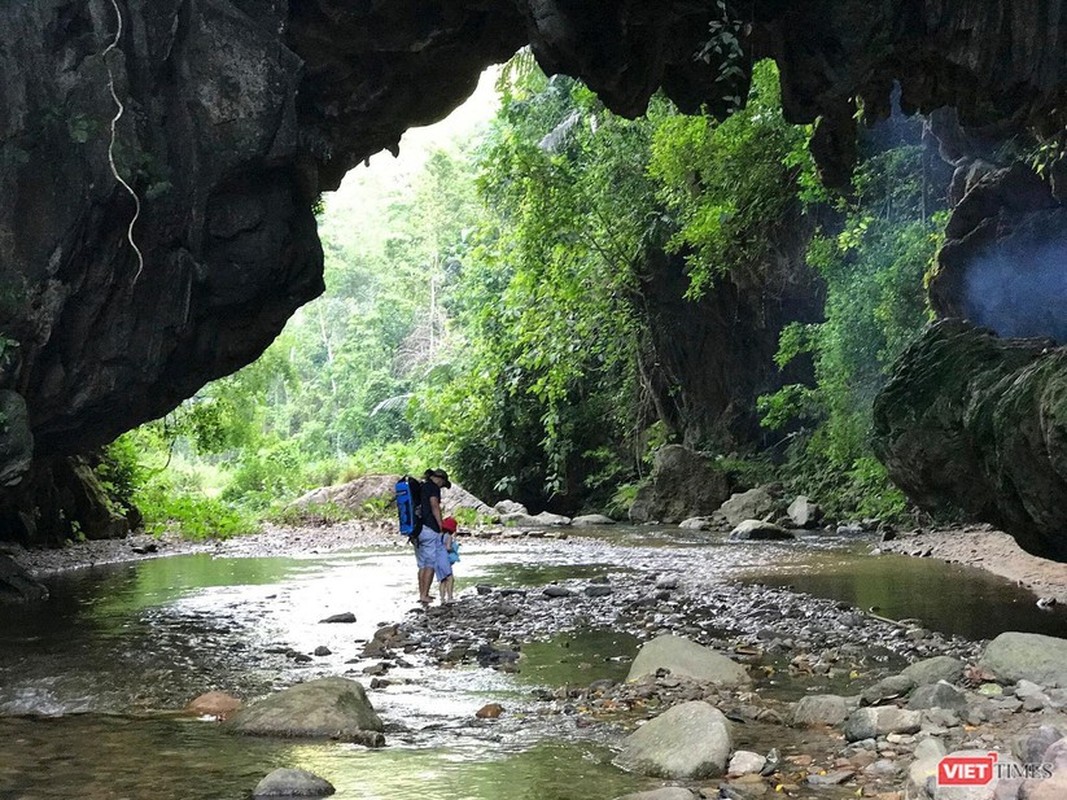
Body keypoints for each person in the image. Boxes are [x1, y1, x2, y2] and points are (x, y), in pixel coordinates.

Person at [416, 468, 450, 605]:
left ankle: (422, 593)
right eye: (443, 483)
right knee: (430, 564)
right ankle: (424, 595)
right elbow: (434, 505)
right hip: (429, 529)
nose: (442, 486)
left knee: (422, 564)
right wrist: (440, 525)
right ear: (440, 479)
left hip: (416, 530)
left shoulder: (421, 486)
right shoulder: (433, 488)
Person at [436, 516, 458, 604]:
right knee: (450, 578)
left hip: (437, 559)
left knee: (442, 580)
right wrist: (454, 549)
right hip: (444, 559)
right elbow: (448, 548)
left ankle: (442, 599)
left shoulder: (439, 535)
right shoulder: (448, 536)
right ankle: (450, 597)